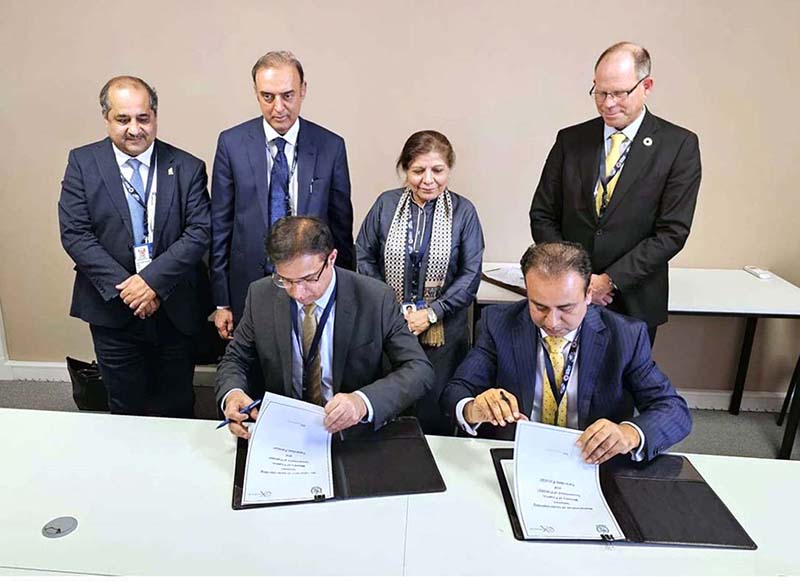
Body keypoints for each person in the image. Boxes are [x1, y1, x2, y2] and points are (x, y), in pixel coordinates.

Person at [442, 242, 691, 464]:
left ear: (588, 296)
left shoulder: (625, 336)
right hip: (516, 457)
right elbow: (456, 390)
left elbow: (673, 409)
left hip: (589, 462)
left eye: (566, 308)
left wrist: (628, 434)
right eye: (539, 306)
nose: (552, 322)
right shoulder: (498, 323)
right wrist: (473, 408)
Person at [529, 42, 701, 345]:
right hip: (568, 300)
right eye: (600, 92)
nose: (608, 103)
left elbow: (672, 232)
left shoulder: (679, 146)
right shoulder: (571, 140)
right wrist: (576, 278)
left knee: (626, 389)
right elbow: (542, 214)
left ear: (646, 86)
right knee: (566, 387)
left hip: (634, 300)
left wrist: (610, 281)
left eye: (619, 93)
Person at [58, 76, 211, 417]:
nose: (134, 129)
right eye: (123, 119)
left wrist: (151, 282)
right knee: (125, 407)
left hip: (174, 307)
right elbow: (75, 233)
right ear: (106, 118)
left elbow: (200, 232)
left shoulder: (187, 167)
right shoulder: (83, 163)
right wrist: (131, 289)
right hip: (112, 307)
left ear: (154, 116)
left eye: (143, 118)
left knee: (176, 405)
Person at [216, 216, 434, 439]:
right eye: (286, 280)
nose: (298, 293)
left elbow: (418, 369)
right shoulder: (261, 295)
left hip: (352, 434)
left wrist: (362, 402)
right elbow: (235, 360)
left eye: (309, 279)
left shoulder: (375, 298)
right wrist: (233, 394)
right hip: (284, 433)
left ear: (331, 259)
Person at [210, 50, 354, 344]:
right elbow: (220, 227)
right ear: (255, 93)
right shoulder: (232, 143)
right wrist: (221, 302)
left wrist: (346, 293)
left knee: (311, 370)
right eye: (267, 96)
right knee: (256, 373)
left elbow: (341, 227)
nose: (278, 107)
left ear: (303, 91)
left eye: (288, 95)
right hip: (250, 285)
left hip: (312, 285)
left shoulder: (330, 146)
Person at [356, 130, 484, 435]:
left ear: (449, 169)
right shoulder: (385, 205)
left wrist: (431, 313)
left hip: (443, 334)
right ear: (405, 169)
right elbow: (363, 255)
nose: (428, 180)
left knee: (434, 412)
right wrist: (392, 308)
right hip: (389, 328)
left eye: (437, 170)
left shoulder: (464, 212)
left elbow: (470, 274)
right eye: (418, 171)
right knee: (389, 409)